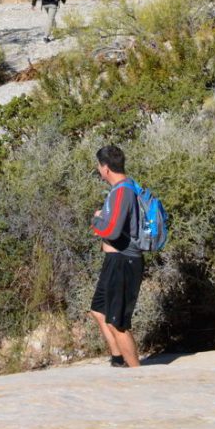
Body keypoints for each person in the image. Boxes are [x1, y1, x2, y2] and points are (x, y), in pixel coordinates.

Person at [89, 145, 143, 368]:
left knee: (118, 323)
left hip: (124, 261)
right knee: (98, 311)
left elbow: (111, 229)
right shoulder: (122, 189)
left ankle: (137, 373)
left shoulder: (123, 191)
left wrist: (96, 220)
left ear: (106, 168)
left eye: (99, 166)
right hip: (115, 261)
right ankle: (118, 359)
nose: (99, 170)